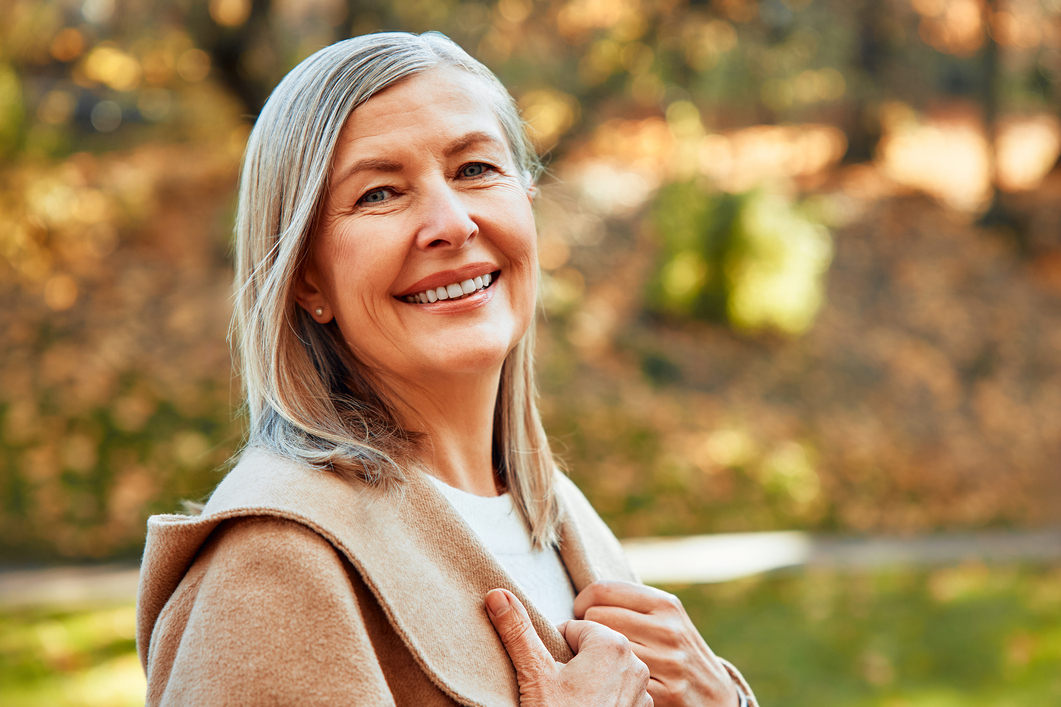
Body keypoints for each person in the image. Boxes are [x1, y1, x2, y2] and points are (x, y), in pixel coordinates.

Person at [135, 31, 757, 707]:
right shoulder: (271, 566)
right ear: (306, 278)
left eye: (473, 170)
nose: (450, 223)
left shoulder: (554, 516)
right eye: (378, 193)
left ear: (526, 198)